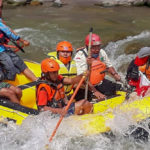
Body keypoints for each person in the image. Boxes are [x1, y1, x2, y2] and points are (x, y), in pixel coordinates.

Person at [74, 33, 122, 101]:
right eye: (93, 47)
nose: (97, 49)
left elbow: (109, 66)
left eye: (98, 46)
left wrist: (115, 75)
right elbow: (82, 77)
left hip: (98, 82)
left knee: (115, 88)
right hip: (85, 86)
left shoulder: (101, 52)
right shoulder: (80, 57)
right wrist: (95, 91)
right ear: (88, 47)